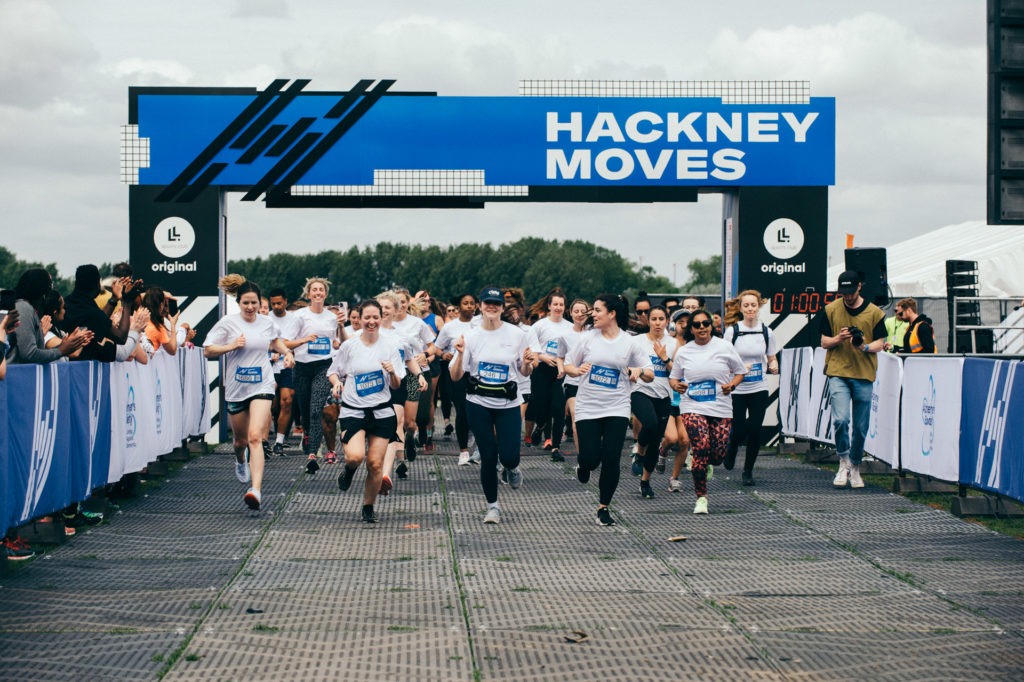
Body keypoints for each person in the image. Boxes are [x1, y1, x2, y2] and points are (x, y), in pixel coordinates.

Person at [203, 275, 294, 511]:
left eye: (254, 302)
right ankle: (239, 459)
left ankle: (256, 490)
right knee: (240, 441)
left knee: (256, 436)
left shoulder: (266, 323)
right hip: (236, 388)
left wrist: (287, 353)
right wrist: (231, 345)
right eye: (246, 303)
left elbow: (275, 342)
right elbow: (208, 350)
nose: (251, 307)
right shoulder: (227, 323)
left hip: (262, 385)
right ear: (238, 302)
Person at [564, 294, 653, 526]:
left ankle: (603, 507)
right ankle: (583, 465)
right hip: (588, 406)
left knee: (612, 458)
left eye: (597, 310)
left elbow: (649, 372)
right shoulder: (587, 339)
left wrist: (638, 372)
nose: (593, 314)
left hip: (617, 406)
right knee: (592, 459)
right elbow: (567, 365)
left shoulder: (630, 342)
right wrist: (576, 370)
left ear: (611, 313)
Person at [450, 287, 534, 524]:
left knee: (508, 456)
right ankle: (492, 507)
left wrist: (528, 364)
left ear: (502, 307)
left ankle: (512, 468)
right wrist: (458, 354)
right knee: (488, 456)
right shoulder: (471, 336)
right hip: (478, 403)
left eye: (496, 304)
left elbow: (524, 370)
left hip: (508, 403)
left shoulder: (516, 335)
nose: (492, 307)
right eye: (487, 303)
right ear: (480, 305)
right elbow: (456, 376)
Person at [328, 299, 405, 523]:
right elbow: (334, 372)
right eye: (367, 318)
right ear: (359, 319)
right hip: (354, 411)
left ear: (381, 318)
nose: (371, 322)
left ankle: (368, 507)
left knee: (375, 464)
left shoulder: (390, 346)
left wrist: (392, 373)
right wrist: (336, 383)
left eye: (375, 317)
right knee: (355, 457)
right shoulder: (349, 346)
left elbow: (397, 385)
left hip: (381, 412)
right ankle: (349, 471)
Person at [669, 309, 747, 514]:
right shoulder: (685, 351)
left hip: (721, 407)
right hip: (692, 406)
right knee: (701, 447)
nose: (702, 327)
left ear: (711, 326)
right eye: (697, 325)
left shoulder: (725, 347)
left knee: (717, 455)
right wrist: (676, 386)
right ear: (691, 329)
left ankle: (708, 462)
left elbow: (740, 372)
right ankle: (701, 497)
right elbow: (674, 378)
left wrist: (732, 385)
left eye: (706, 323)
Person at [819, 270, 886, 489]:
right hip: (838, 371)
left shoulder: (875, 313)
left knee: (860, 426)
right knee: (840, 419)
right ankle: (843, 460)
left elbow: (881, 343)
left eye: (850, 292)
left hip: (864, 373)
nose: (847, 297)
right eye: (843, 293)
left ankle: (855, 465)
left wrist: (863, 346)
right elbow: (823, 342)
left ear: (859, 286)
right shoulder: (830, 310)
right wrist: (839, 338)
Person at [723, 290, 779, 486]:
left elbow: (771, 357)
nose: (750, 309)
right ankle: (732, 446)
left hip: (759, 386)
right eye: (746, 305)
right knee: (738, 430)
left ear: (758, 307)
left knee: (755, 429)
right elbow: (723, 359)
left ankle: (748, 471)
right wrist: (738, 368)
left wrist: (774, 365)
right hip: (738, 388)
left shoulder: (766, 332)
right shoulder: (732, 332)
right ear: (740, 308)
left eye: (753, 305)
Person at [292, 277, 345, 474]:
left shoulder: (332, 317)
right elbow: (286, 342)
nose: (317, 293)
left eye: (321, 290)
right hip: (302, 366)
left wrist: (337, 340)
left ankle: (312, 455)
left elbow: (336, 341)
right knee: (306, 411)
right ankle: (307, 433)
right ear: (308, 294)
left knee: (316, 409)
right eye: (314, 290)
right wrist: (305, 340)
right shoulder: (299, 316)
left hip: (324, 366)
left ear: (325, 294)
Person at [631, 305, 677, 499]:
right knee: (649, 423)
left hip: (664, 395)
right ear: (647, 321)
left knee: (656, 440)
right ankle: (639, 451)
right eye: (654, 319)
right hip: (641, 390)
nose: (657, 323)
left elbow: (677, 372)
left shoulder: (674, 344)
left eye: (661, 319)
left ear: (666, 321)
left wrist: (664, 358)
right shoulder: (637, 341)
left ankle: (645, 481)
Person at [9, 268, 91, 364]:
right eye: (49, 285)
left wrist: (64, 347)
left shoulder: (25, 308)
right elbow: (29, 354)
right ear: (43, 292)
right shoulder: (23, 308)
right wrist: (62, 349)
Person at [525, 288, 572, 452]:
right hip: (542, 368)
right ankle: (540, 425)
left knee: (558, 407)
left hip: (560, 370)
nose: (558, 307)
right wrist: (543, 357)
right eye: (555, 304)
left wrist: (563, 362)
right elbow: (531, 349)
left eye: (561, 304)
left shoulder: (569, 327)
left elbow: (573, 350)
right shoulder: (539, 326)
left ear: (565, 307)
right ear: (549, 306)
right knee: (540, 404)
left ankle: (554, 443)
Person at [434, 292, 478, 465]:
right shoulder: (450, 327)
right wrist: (444, 355)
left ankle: (473, 435)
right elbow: (437, 348)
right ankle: (463, 452)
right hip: (458, 372)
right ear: (459, 306)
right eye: (465, 303)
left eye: (472, 303)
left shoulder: (481, 324)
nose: (469, 306)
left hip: (477, 373)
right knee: (461, 410)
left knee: (476, 411)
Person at [267, 288, 303, 455]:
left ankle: (280, 441)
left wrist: (284, 344)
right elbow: (276, 342)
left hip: (288, 364)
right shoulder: (266, 318)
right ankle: (269, 436)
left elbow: (289, 343)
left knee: (287, 401)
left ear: (286, 302)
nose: (276, 306)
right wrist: (282, 344)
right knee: (272, 406)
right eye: (273, 303)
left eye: (279, 303)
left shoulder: (294, 319)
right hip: (269, 365)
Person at [142, 286, 181, 356]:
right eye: (164, 304)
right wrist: (173, 325)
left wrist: (154, 295)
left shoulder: (138, 317)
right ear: (161, 305)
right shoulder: (158, 328)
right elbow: (172, 350)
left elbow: (135, 298)